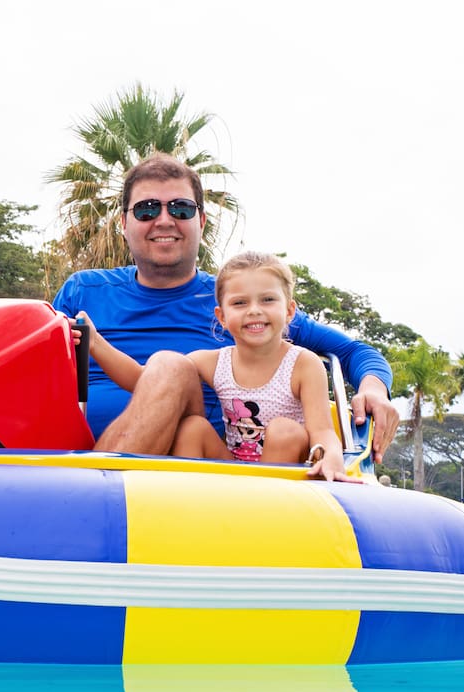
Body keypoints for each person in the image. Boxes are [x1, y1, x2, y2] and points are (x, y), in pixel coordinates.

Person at [52, 153, 400, 462]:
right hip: (74, 448)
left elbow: (356, 352)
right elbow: (35, 368)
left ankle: (94, 484)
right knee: (166, 366)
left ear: (200, 222)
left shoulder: (236, 303)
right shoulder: (83, 291)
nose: (163, 220)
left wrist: (373, 389)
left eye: (180, 208)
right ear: (124, 223)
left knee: (171, 366)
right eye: (146, 209)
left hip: (199, 459)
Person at [83, 251, 348, 481]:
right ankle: (186, 503)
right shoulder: (216, 361)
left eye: (268, 300)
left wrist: (333, 456)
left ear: (289, 311)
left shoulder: (303, 364)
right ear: (221, 316)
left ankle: (264, 513)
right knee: (193, 428)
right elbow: (143, 380)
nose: (254, 310)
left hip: (283, 470)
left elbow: (321, 428)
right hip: (232, 466)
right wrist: (96, 343)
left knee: (285, 431)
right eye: (240, 303)